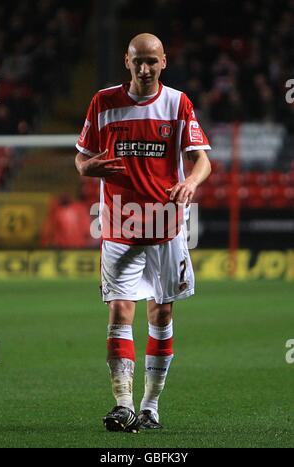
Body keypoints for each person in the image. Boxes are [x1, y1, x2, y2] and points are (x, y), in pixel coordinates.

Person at [75, 33, 211, 433]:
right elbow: (82, 158)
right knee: (120, 310)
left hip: (166, 227)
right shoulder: (103, 102)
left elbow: (201, 160)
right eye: (139, 61)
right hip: (118, 226)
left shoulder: (177, 102)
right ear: (127, 61)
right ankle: (123, 404)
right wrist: (86, 168)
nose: (145, 68)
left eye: (152, 61)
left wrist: (192, 183)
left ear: (164, 61)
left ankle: (150, 405)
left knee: (162, 311)